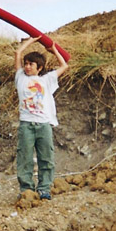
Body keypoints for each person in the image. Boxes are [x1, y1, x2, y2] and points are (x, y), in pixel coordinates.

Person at [13, 36, 69, 199]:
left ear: (40, 68)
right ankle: (26, 189)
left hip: (44, 124)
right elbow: (17, 53)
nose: (27, 66)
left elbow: (64, 65)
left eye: (31, 64)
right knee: (25, 158)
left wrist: (54, 50)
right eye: (26, 63)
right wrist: (32, 40)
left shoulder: (46, 80)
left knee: (46, 157)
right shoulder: (20, 77)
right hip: (26, 124)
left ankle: (44, 188)